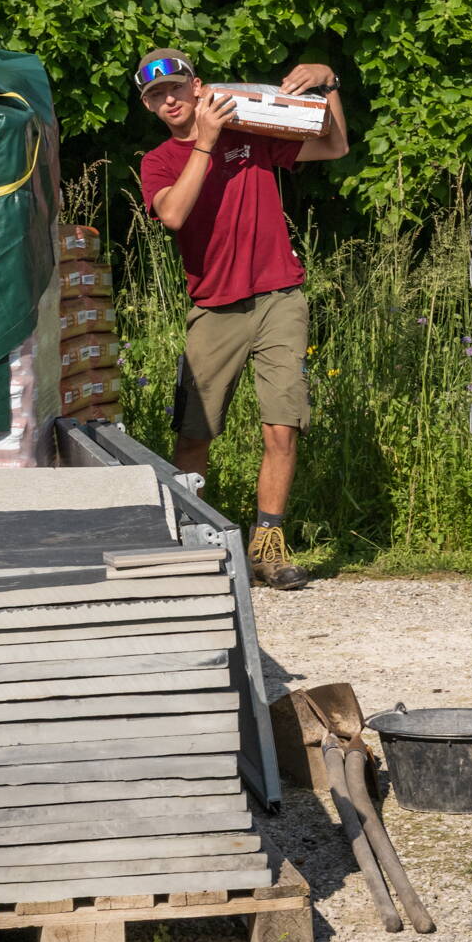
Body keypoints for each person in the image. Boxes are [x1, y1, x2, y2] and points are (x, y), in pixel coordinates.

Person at [136, 48, 350, 589]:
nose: (169, 101)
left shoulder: (250, 133)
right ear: (150, 107)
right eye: (157, 97)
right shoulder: (159, 160)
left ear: (198, 87)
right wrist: (205, 144)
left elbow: (334, 144)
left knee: (282, 425)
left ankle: (268, 546)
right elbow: (174, 214)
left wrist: (329, 83)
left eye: (176, 89)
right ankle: (193, 540)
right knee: (195, 433)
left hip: (281, 297)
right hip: (214, 308)